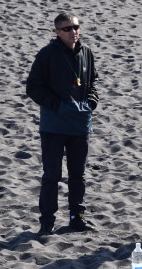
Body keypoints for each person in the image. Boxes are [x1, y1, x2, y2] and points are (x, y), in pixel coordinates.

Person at [26, 13, 99, 235]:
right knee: (52, 175)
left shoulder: (86, 52)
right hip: (54, 126)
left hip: (80, 125)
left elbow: (93, 82)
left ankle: (77, 218)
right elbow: (33, 88)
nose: (73, 32)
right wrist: (58, 105)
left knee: (78, 175)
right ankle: (47, 222)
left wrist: (92, 101)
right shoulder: (47, 54)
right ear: (57, 32)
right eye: (67, 28)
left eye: (76, 27)